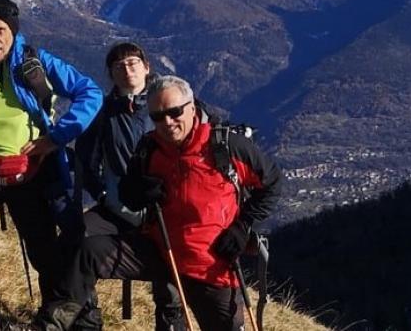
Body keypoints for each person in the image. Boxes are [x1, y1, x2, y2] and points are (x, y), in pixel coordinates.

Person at [46, 75, 282, 331]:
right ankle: (52, 325)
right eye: (157, 116)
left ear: (192, 107)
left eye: (174, 112)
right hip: (161, 250)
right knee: (88, 252)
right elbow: (128, 193)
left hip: (210, 265)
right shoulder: (149, 147)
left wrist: (242, 226)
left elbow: (271, 184)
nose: (167, 122)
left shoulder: (226, 146)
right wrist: (139, 191)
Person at [0, 0, 103, 326]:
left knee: (43, 247)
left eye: (0, 29)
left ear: (12, 31)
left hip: (33, 172)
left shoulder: (34, 63)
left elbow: (91, 92)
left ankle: (59, 311)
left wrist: (56, 138)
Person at [56, 41, 162, 329]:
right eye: (118, 66)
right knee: (73, 239)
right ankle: (85, 319)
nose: (127, 70)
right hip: (116, 209)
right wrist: (103, 192)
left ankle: (171, 322)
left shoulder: (165, 104)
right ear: (111, 74)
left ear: (146, 67)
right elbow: (87, 159)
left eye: (132, 63)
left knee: (169, 278)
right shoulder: (102, 113)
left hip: (164, 213)